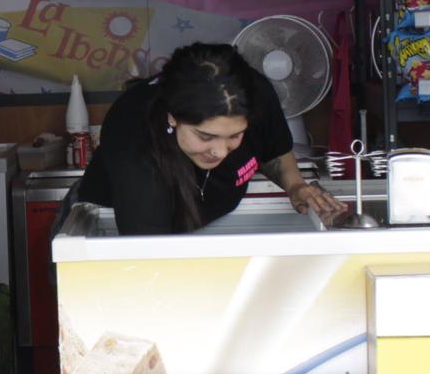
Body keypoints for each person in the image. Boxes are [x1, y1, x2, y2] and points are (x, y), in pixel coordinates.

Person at [76, 42, 342, 234]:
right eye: (205, 136)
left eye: (235, 136)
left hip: (204, 225)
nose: (221, 152)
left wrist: (296, 186)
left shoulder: (254, 94)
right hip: (111, 227)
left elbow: (274, 151)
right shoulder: (135, 139)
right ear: (173, 117)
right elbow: (147, 257)